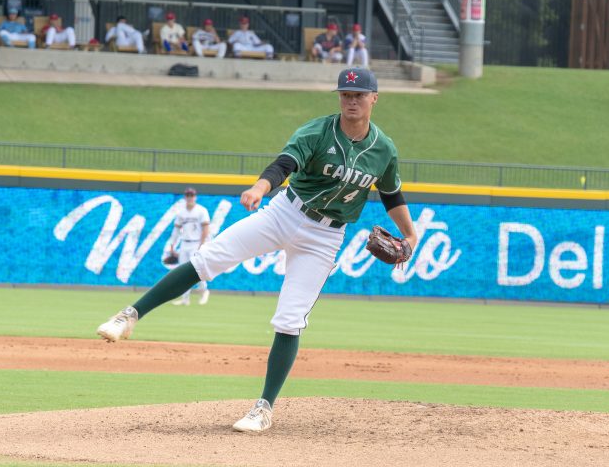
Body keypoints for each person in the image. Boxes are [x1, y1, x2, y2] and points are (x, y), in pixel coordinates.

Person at [96, 67, 418, 433]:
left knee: (290, 318)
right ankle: (130, 315)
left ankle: (264, 407)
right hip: (283, 212)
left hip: (325, 237)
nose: (351, 100)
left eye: (359, 95)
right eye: (345, 94)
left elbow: (391, 194)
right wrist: (260, 187)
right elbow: (284, 165)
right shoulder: (317, 131)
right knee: (208, 258)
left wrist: (411, 235)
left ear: (374, 98)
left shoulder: (384, 149)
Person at [168, 187, 211, 306]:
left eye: (192, 195)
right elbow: (176, 230)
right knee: (183, 272)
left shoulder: (201, 210)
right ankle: (185, 299)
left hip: (196, 243)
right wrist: (172, 244)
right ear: (185, 197)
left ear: (195, 197)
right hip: (184, 244)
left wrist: (201, 245)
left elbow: (206, 229)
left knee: (196, 270)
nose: (190, 198)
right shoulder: (181, 213)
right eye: (188, 195)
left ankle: (204, 291)